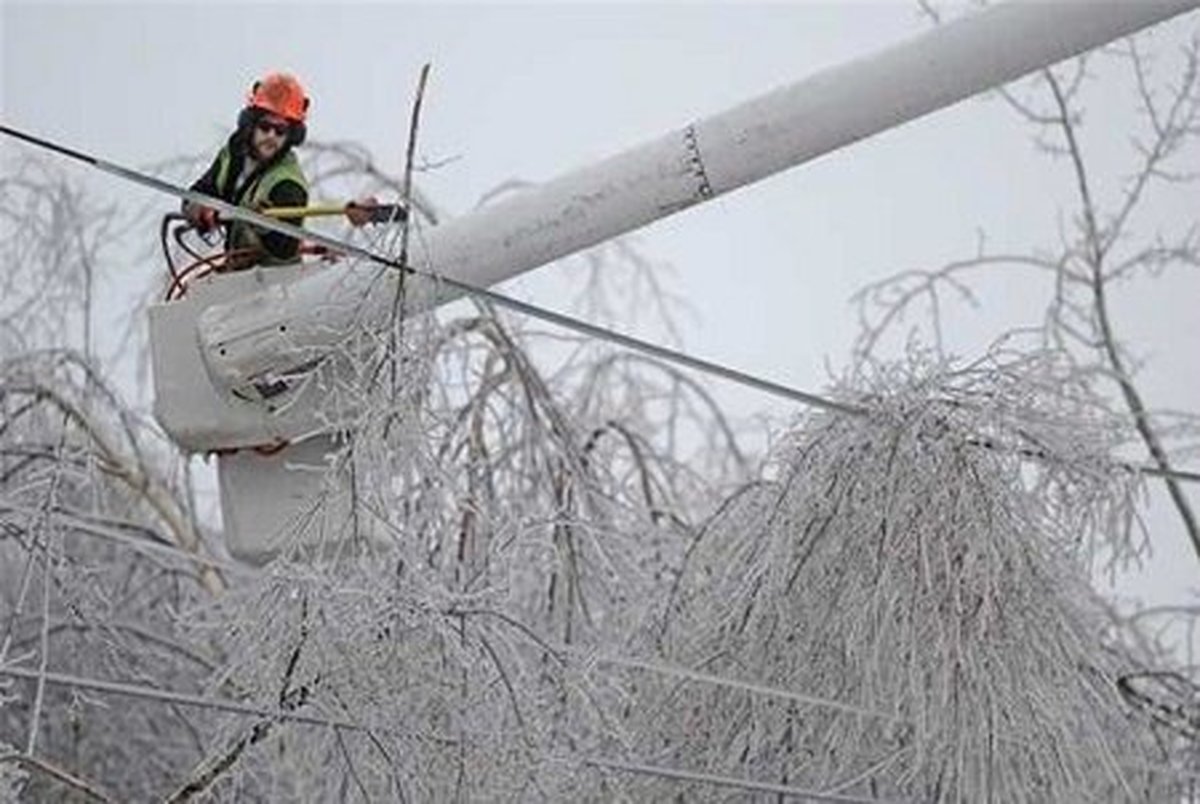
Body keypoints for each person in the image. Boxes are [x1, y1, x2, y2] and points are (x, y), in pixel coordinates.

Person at [184, 72, 376, 269]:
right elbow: (201, 191)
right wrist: (199, 208)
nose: (271, 136)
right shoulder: (233, 154)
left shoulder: (287, 183)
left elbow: (286, 249)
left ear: (291, 136)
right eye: (265, 127)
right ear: (250, 124)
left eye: (280, 131)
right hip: (234, 270)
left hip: (273, 284)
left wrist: (266, 227)